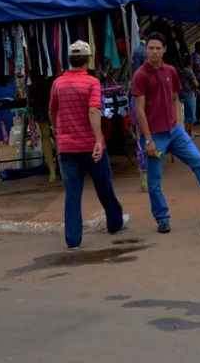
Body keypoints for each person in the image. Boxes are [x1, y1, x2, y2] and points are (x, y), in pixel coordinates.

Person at [132, 32, 200, 233]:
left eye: (158, 48)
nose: (154, 51)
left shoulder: (171, 71)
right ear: (146, 49)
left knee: (199, 163)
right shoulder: (140, 75)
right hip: (154, 136)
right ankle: (162, 218)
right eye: (151, 48)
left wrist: (179, 126)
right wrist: (148, 140)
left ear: (164, 49)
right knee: (154, 180)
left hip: (175, 132)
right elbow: (139, 110)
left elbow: (176, 98)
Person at [49, 39, 127, 249]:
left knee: (72, 194)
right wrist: (98, 141)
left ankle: (73, 239)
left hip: (67, 148)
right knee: (104, 186)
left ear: (69, 60)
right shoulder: (92, 82)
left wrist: (57, 132)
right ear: (88, 59)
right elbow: (94, 110)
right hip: (91, 146)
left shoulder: (57, 83)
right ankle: (114, 223)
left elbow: (52, 110)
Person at [178, 53, 198, 137]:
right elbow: (196, 83)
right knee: (190, 115)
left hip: (180, 94)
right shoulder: (189, 72)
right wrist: (195, 87)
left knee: (185, 114)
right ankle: (187, 135)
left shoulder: (179, 71)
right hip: (189, 94)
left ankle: (190, 132)